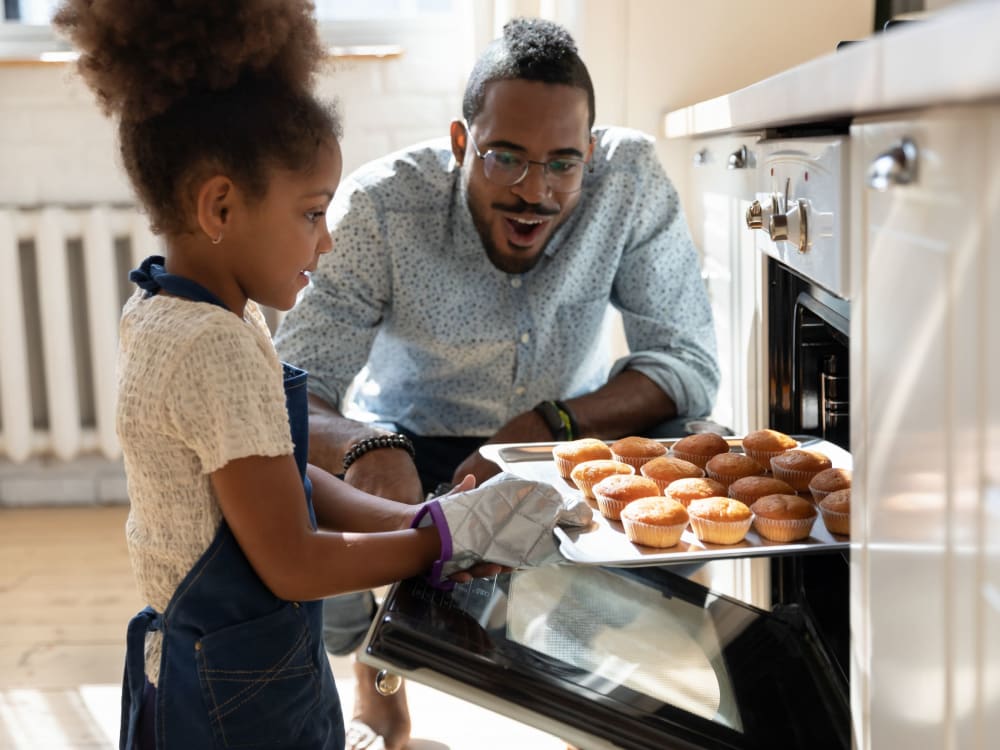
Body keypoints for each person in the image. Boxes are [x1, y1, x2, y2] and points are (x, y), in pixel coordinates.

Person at [53, 3, 584, 749]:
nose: (328, 240)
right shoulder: (218, 346)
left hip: (214, 659)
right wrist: (443, 541)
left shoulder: (174, 309)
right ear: (221, 204)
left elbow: (280, 479)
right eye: (312, 212)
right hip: (235, 694)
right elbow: (294, 559)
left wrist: (416, 522)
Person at [273, 16, 720, 750]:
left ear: (593, 154)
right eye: (505, 157)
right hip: (407, 449)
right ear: (461, 144)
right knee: (280, 482)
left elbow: (686, 363)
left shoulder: (629, 181)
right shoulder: (379, 209)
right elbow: (293, 386)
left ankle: (589, 670)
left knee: (699, 444)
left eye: (562, 164)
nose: (533, 192)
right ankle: (378, 675)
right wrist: (367, 444)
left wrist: (545, 426)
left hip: (563, 442)